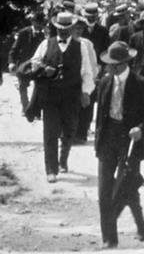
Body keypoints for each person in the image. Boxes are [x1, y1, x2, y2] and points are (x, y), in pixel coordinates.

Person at [94, 41, 144, 249]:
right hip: (107, 139)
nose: (111, 68)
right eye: (109, 64)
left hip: (130, 141)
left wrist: (141, 130)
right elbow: (100, 115)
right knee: (104, 190)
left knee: (125, 188)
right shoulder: (104, 82)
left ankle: (140, 224)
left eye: (115, 64)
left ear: (125, 63)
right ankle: (109, 239)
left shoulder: (141, 84)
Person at [30, 12, 95, 183]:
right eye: (60, 29)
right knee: (50, 131)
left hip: (71, 96)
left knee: (69, 130)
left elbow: (88, 72)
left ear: (73, 28)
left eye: (67, 29)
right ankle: (51, 169)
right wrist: (45, 68)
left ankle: (63, 159)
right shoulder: (46, 43)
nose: (64, 32)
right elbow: (34, 63)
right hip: (50, 96)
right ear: (56, 28)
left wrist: (86, 91)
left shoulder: (81, 47)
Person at [9, 12, 46, 119]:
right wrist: (12, 62)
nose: (37, 25)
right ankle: (26, 109)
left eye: (39, 23)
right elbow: (14, 49)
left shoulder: (44, 36)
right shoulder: (24, 33)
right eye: (35, 22)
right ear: (32, 22)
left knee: (39, 87)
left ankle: (36, 110)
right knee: (22, 86)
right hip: (24, 65)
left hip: (38, 66)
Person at [71, 16, 101, 144]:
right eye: (76, 28)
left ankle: (81, 134)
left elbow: (93, 63)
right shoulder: (63, 42)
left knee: (85, 109)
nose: (78, 31)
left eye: (81, 29)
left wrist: (93, 79)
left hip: (85, 79)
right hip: (70, 80)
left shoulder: (87, 44)